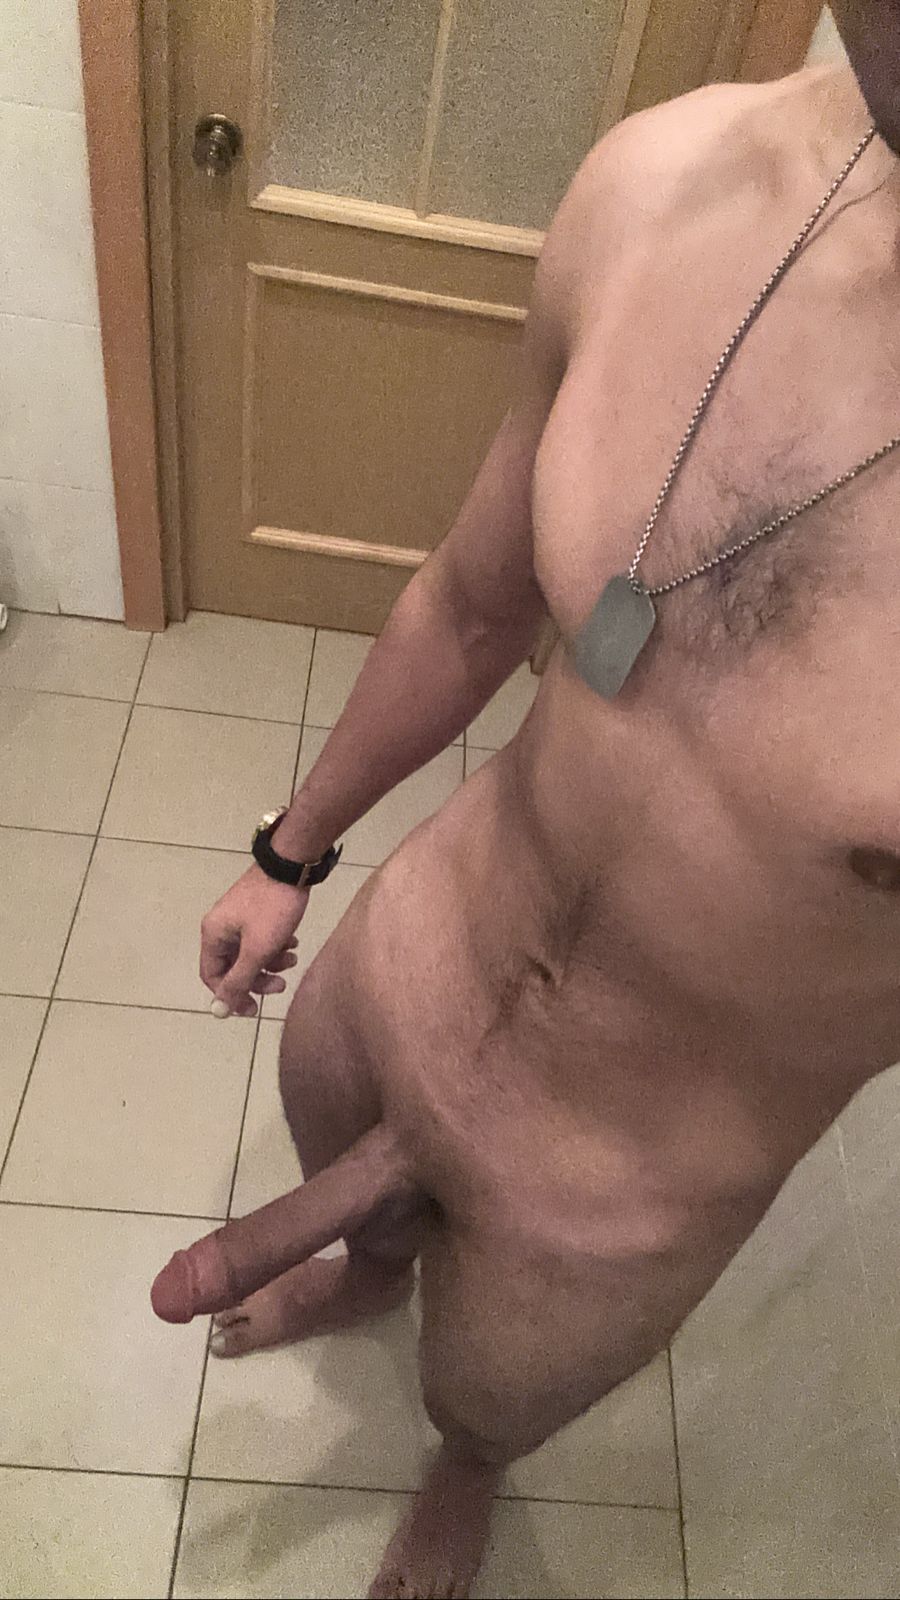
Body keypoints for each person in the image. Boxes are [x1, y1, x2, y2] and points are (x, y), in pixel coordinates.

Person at [153, 7, 900, 1595]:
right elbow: (472, 599)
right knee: (344, 1181)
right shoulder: (665, 179)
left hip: (638, 1167)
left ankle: (465, 1472)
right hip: (412, 956)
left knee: (488, 1397)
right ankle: (367, 1278)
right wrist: (291, 850)